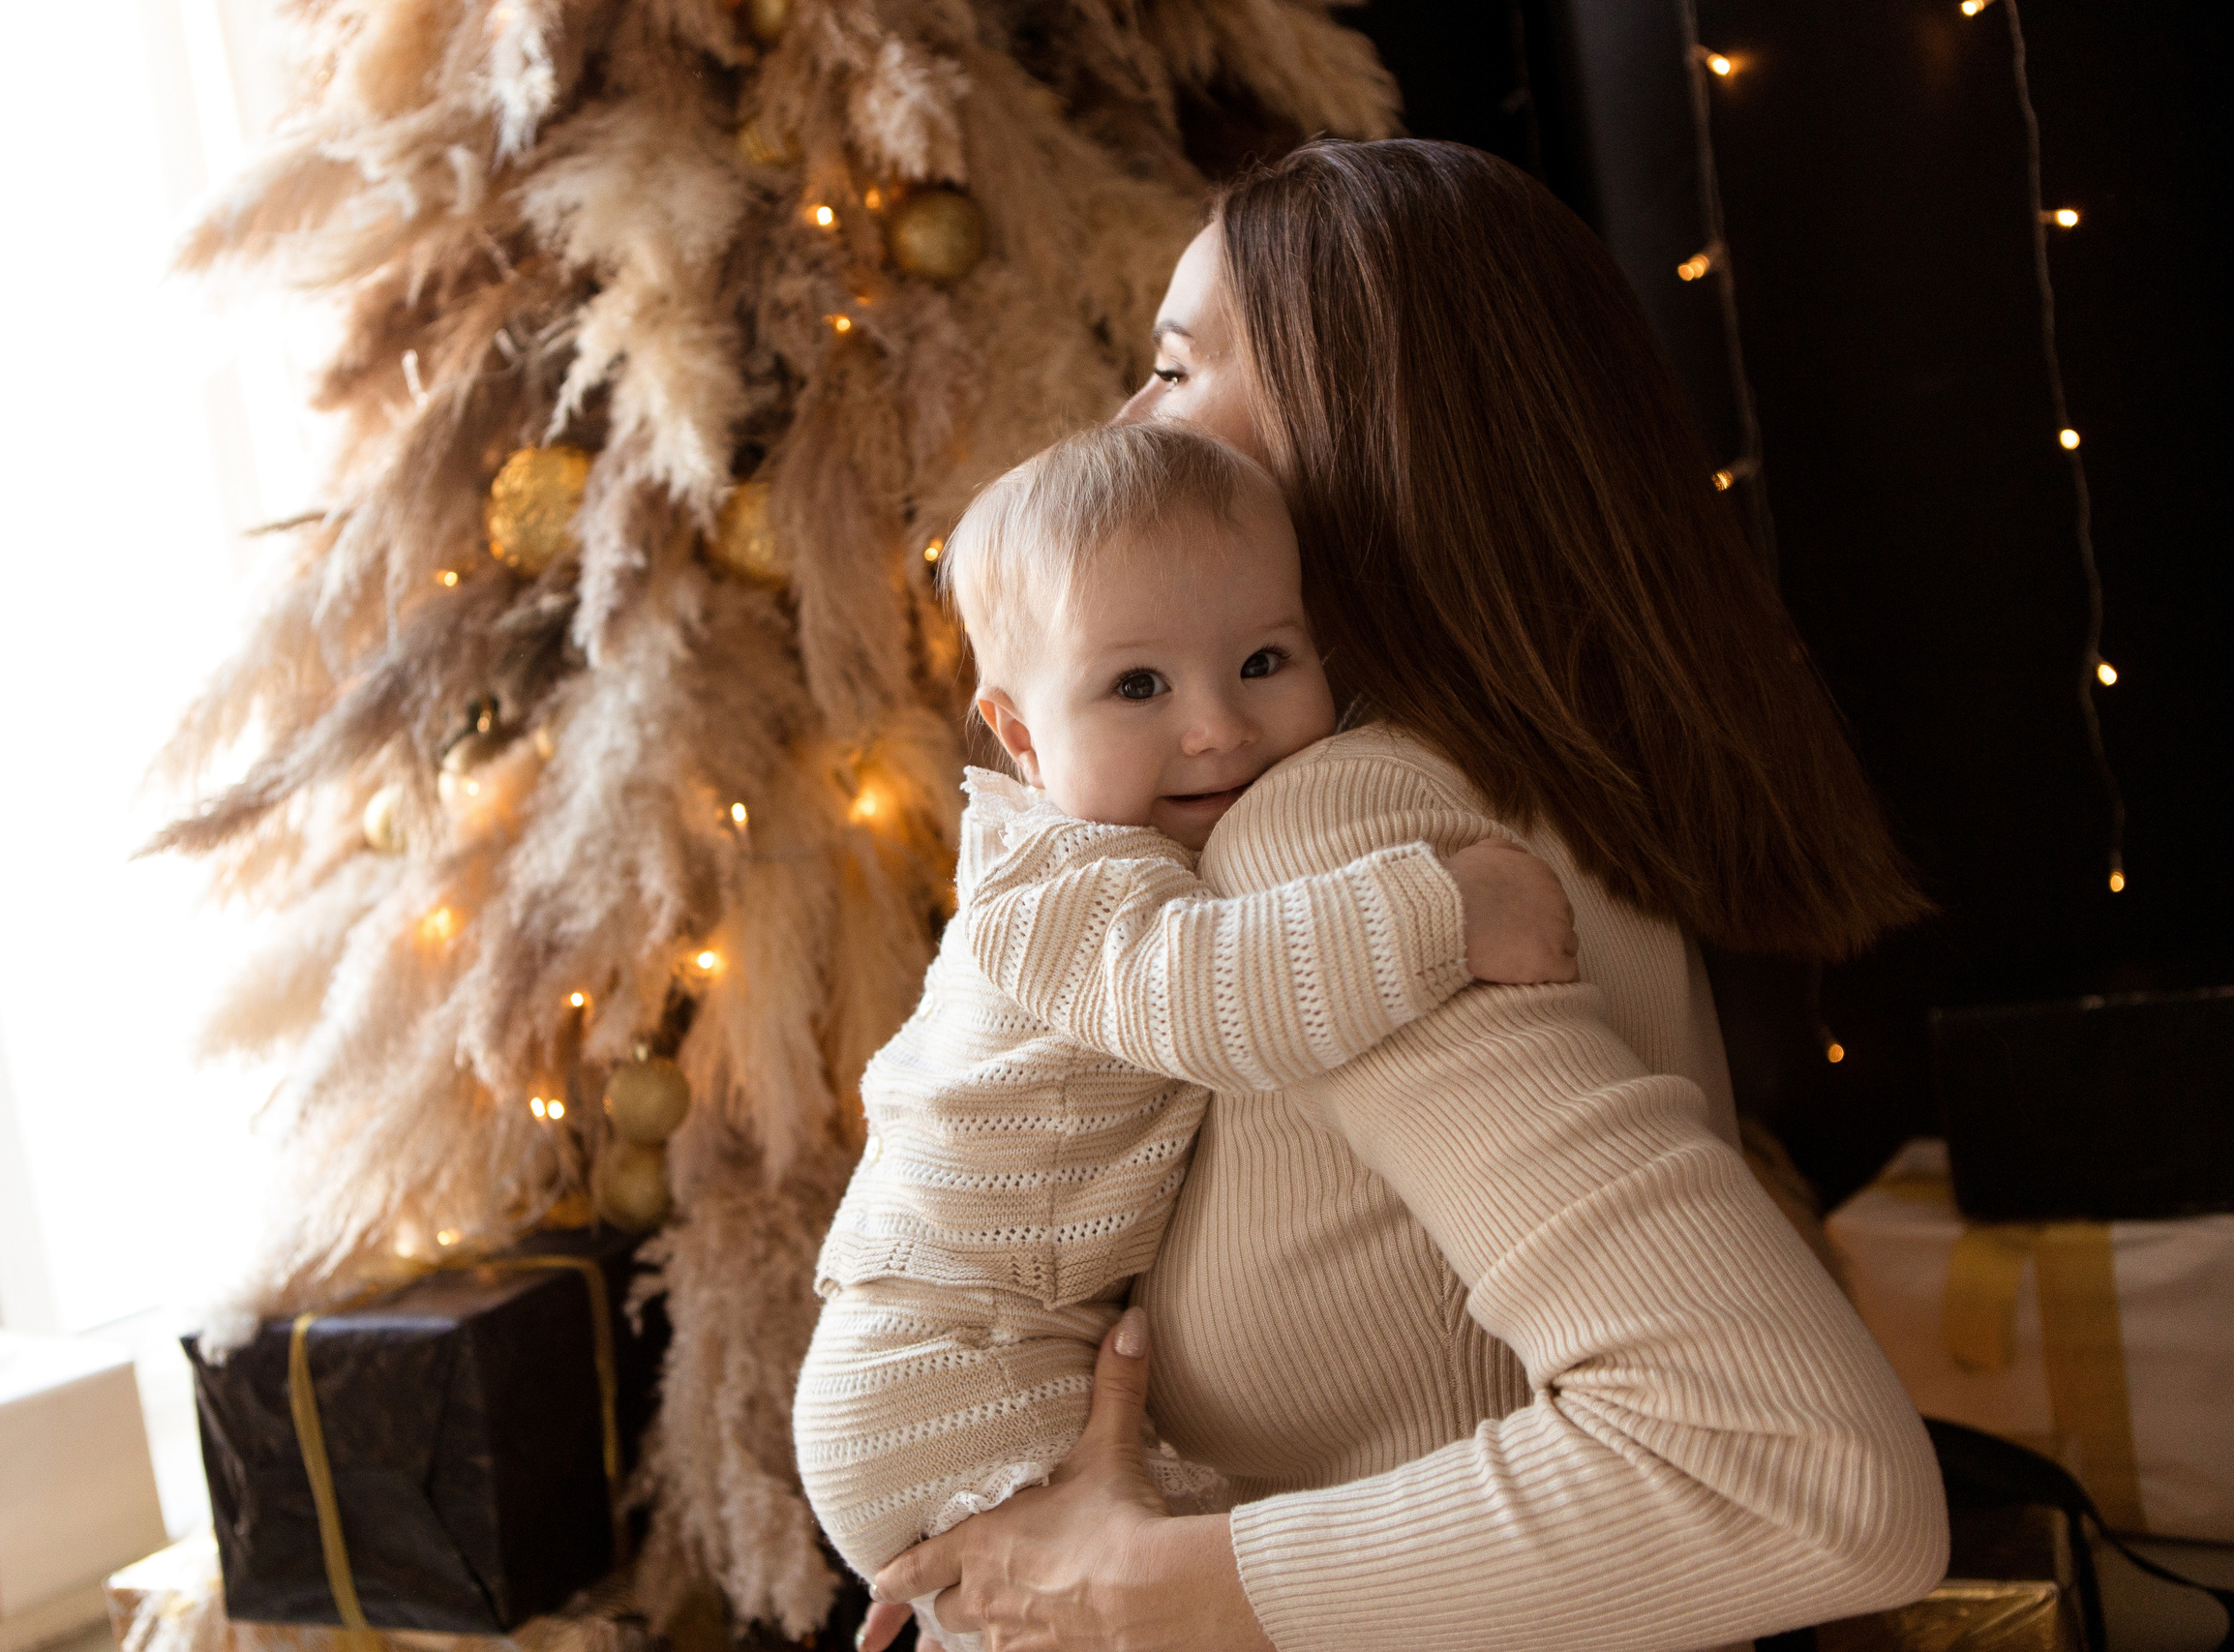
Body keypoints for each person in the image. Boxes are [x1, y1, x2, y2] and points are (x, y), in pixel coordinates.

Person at [862, 139, 1948, 1651]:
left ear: (1349, 423)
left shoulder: (1343, 835)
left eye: (1175, 373)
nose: (1123, 422)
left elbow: (1795, 1476)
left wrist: (1134, 1588)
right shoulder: (1548, 779)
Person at [794, 422, 1582, 1624]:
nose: (1215, 725)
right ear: (1018, 735)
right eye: (1138, 687)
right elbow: (1208, 998)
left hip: (982, 1352)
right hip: (949, 1369)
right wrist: (1442, 910)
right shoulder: (1054, 888)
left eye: (1265, 660)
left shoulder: (1136, 845)